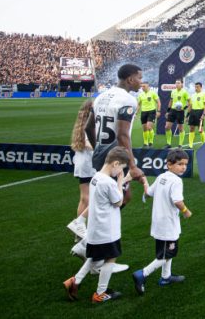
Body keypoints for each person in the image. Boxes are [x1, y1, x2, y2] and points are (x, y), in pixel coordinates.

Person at [63, 147, 131, 303]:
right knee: (111, 257)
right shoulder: (109, 182)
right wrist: (121, 182)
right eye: (120, 168)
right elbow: (118, 201)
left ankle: (75, 281)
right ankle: (100, 293)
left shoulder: (96, 177)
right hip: (107, 229)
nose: (120, 171)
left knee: (95, 256)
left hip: (96, 228)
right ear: (115, 163)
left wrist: (120, 181)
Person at [132, 148, 192, 294]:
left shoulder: (161, 177)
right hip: (168, 224)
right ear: (169, 164)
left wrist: (145, 181)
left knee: (166, 252)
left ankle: (166, 277)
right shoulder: (176, 181)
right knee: (166, 254)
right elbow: (177, 201)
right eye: (180, 164)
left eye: (185, 164)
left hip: (159, 223)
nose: (183, 167)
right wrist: (186, 211)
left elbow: (149, 193)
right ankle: (142, 274)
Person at [86, 63, 146, 207]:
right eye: (139, 78)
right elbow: (122, 135)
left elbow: (88, 127)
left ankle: (98, 226)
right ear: (130, 79)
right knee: (119, 199)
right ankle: (102, 228)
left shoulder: (100, 97)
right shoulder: (128, 100)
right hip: (117, 158)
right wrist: (132, 166)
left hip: (101, 156)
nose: (141, 82)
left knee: (114, 197)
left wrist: (98, 148)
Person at [68, 99, 95, 239]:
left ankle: (79, 230)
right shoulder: (89, 124)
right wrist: (101, 148)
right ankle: (81, 228)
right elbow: (88, 144)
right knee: (88, 198)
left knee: (84, 198)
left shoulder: (81, 123)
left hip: (82, 163)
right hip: (88, 164)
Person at [165, 79, 190, 148]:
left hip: (180, 112)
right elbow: (171, 101)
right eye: (176, 83)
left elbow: (190, 103)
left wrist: (185, 109)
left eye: (178, 83)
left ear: (182, 84)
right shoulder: (173, 91)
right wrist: (168, 111)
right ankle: (168, 143)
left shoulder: (185, 92)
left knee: (181, 128)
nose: (177, 84)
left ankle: (180, 144)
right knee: (167, 127)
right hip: (173, 111)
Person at [136, 82, 160, 148]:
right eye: (142, 86)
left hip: (151, 111)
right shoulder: (141, 95)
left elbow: (158, 102)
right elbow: (138, 104)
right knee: (144, 128)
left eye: (144, 86)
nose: (142, 88)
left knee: (149, 127)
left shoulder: (153, 93)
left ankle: (151, 142)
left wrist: (158, 111)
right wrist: (136, 113)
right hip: (143, 112)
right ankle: (145, 143)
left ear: (148, 86)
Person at [186, 82, 205, 148]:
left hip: (200, 112)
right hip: (193, 112)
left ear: (201, 87)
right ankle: (190, 145)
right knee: (191, 128)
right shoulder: (192, 95)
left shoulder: (204, 94)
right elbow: (190, 106)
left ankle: (204, 144)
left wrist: (203, 114)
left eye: (197, 87)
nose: (196, 88)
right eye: (195, 87)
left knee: (200, 129)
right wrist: (187, 116)